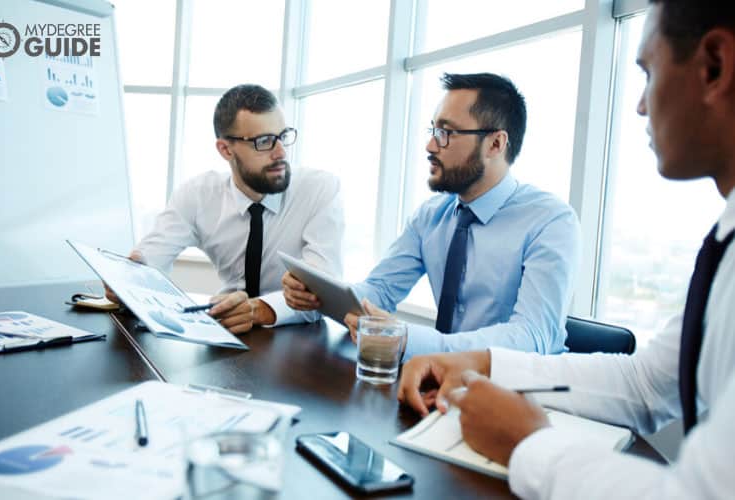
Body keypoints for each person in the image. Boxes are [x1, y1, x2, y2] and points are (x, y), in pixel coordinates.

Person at [398, 2, 735, 497]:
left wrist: (528, 444)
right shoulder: (724, 243)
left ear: (714, 66)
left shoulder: (550, 217)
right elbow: (646, 384)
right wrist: (484, 363)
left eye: (647, 73)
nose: (641, 105)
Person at [284, 73, 581, 360]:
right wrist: (320, 295)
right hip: (443, 383)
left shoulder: (551, 221)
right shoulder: (431, 215)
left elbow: (532, 338)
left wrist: (406, 339)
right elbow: (380, 289)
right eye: (433, 131)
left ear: (495, 144)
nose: (430, 146)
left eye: (446, 133)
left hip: (521, 391)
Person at [108, 84, 344, 334]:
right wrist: (130, 280)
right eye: (264, 141)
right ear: (225, 149)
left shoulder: (319, 189)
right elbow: (150, 260)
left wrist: (259, 309)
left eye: (283, 136)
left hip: (299, 340)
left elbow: (323, 290)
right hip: (225, 326)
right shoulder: (198, 194)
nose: (280, 152)